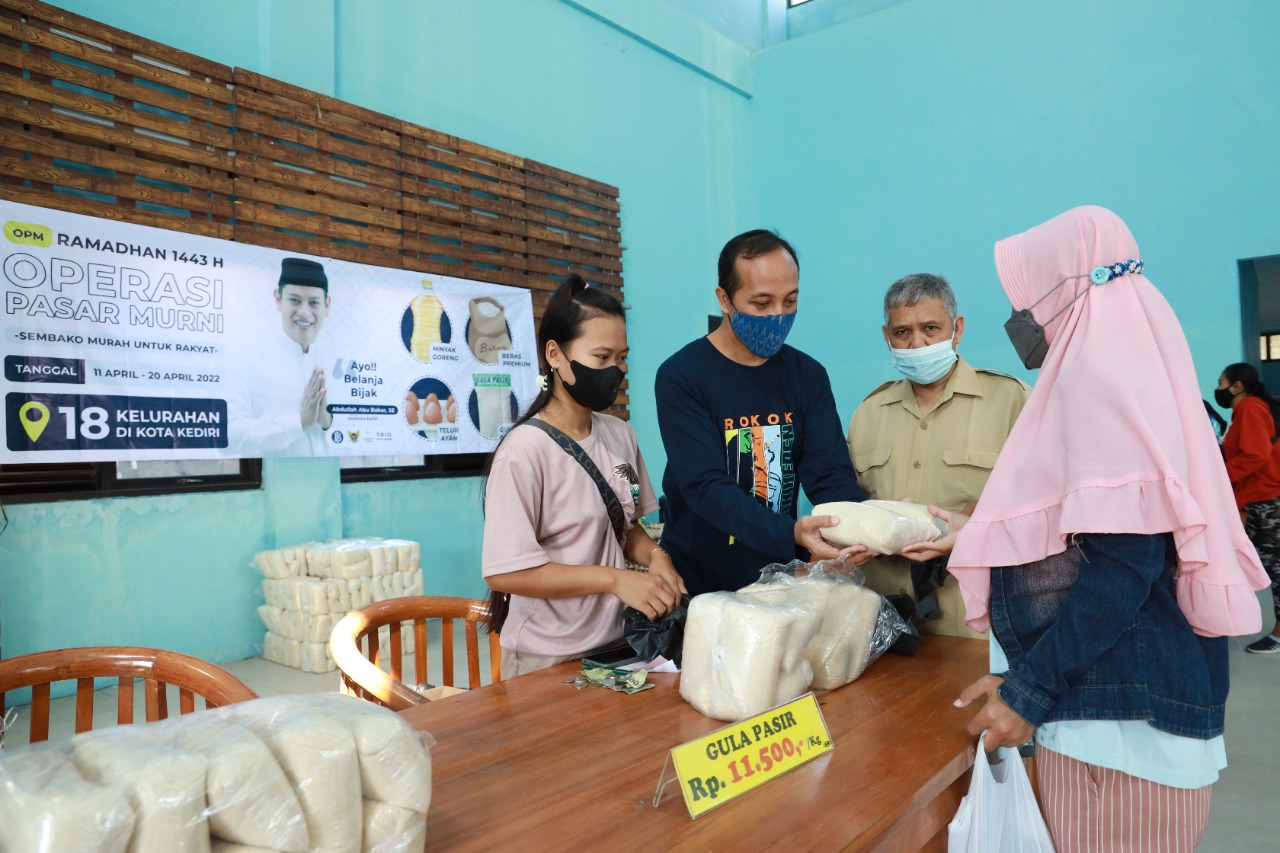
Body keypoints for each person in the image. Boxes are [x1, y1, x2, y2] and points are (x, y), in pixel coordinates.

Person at [901, 206, 1268, 852]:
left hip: (1116, 733)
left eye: (1025, 298)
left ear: (1063, 285)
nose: (1021, 318)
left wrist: (1030, 691)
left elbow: (1121, 567)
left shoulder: (1098, 374)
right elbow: (1093, 531)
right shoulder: (1140, 359)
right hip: (1137, 702)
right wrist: (1024, 674)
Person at [482, 274, 684, 677]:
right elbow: (506, 571)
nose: (615, 370)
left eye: (622, 358)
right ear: (554, 355)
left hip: (621, 643)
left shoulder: (621, 435)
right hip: (548, 658)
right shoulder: (524, 451)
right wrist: (616, 581)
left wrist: (657, 557)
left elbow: (626, 532)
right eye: (601, 357)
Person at [655, 230, 871, 596]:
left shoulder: (808, 375)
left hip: (781, 582)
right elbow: (704, 487)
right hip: (700, 586)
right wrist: (789, 534)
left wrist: (866, 524)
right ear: (725, 299)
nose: (778, 315)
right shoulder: (682, 376)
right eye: (762, 302)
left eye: (790, 301)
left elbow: (829, 474)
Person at [849, 273, 1028, 638]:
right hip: (881, 623)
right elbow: (854, 507)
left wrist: (971, 522)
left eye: (931, 328)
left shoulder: (1011, 401)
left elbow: (1040, 505)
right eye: (902, 332)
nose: (917, 343)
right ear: (887, 337)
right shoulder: (868, 412)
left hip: (973, 623)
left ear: (957, 329)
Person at [225, 257, 334, 456]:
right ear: (278, 299)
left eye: (314, 303)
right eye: (294, 300)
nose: (304, 312)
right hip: (272, 483)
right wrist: (299, 422)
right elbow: (228, 435)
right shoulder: (246, 358)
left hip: (332, 483)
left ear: (327, 305)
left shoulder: (337, 358)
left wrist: (329, 422)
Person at [1216, 362, 1280, 654]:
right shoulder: (1246, 409)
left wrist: (1218, 478)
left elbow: (1256, 455)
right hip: (1257, 499)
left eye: (1221, 383)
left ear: (1237, 385)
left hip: (1266, 501)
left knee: (1275, 568)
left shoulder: (1250, 408)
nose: (1218, 389)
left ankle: (1279, 634)